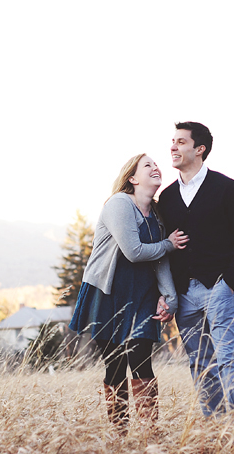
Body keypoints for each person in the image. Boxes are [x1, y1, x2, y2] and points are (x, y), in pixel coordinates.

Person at [68, 153, 188, 433]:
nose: (156, 167)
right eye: (148, 165)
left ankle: (149, 434)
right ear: (132, 178)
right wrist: (169, 244)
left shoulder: (156, 214)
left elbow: (159, 260)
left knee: (141, 361)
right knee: (115, 364)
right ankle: (119, 434)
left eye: (156, 164)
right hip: (108, 293)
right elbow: (134, 253)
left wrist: (170, 298)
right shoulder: (120, 204)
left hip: (143, 295)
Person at [157, 121, 234, 418]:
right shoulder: (168, 197)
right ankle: (214, 424)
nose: (173, 147)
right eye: (172, 142)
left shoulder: (225, 188)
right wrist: (170, 292)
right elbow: (167, 249)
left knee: (227, 357)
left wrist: (228, 282)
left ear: (199, 149)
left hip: (219, 288)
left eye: (181, 142)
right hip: (185, 295)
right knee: (200, 363)